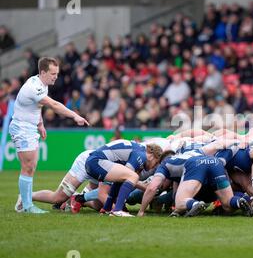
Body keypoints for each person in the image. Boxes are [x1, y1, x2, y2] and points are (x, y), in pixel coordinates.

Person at [10, 57, 89, 214]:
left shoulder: (41, 84)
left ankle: (25, 203)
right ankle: (26, 206)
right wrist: (75, 116)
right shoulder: (34, 87)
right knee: (28, 166)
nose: (56, 77)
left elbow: (36, 106)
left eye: (57, 73)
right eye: (53, 73)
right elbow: (53, 105)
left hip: (30, 127)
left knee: (31, 166)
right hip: (22, 128)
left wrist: (40, 124)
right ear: (43, 72)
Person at [85, 139, 162, 217]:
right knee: (133, 176)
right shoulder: (142, 155)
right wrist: (142, 185)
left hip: (94, 162)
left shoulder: (139, 150)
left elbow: (120, 180)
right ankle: (118, 210)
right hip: (97, 162)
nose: (154, 167)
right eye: (156, 163)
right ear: (152, 156)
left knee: (124, 177)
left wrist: (107, 206)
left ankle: (107, 208)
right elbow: (128, 176)